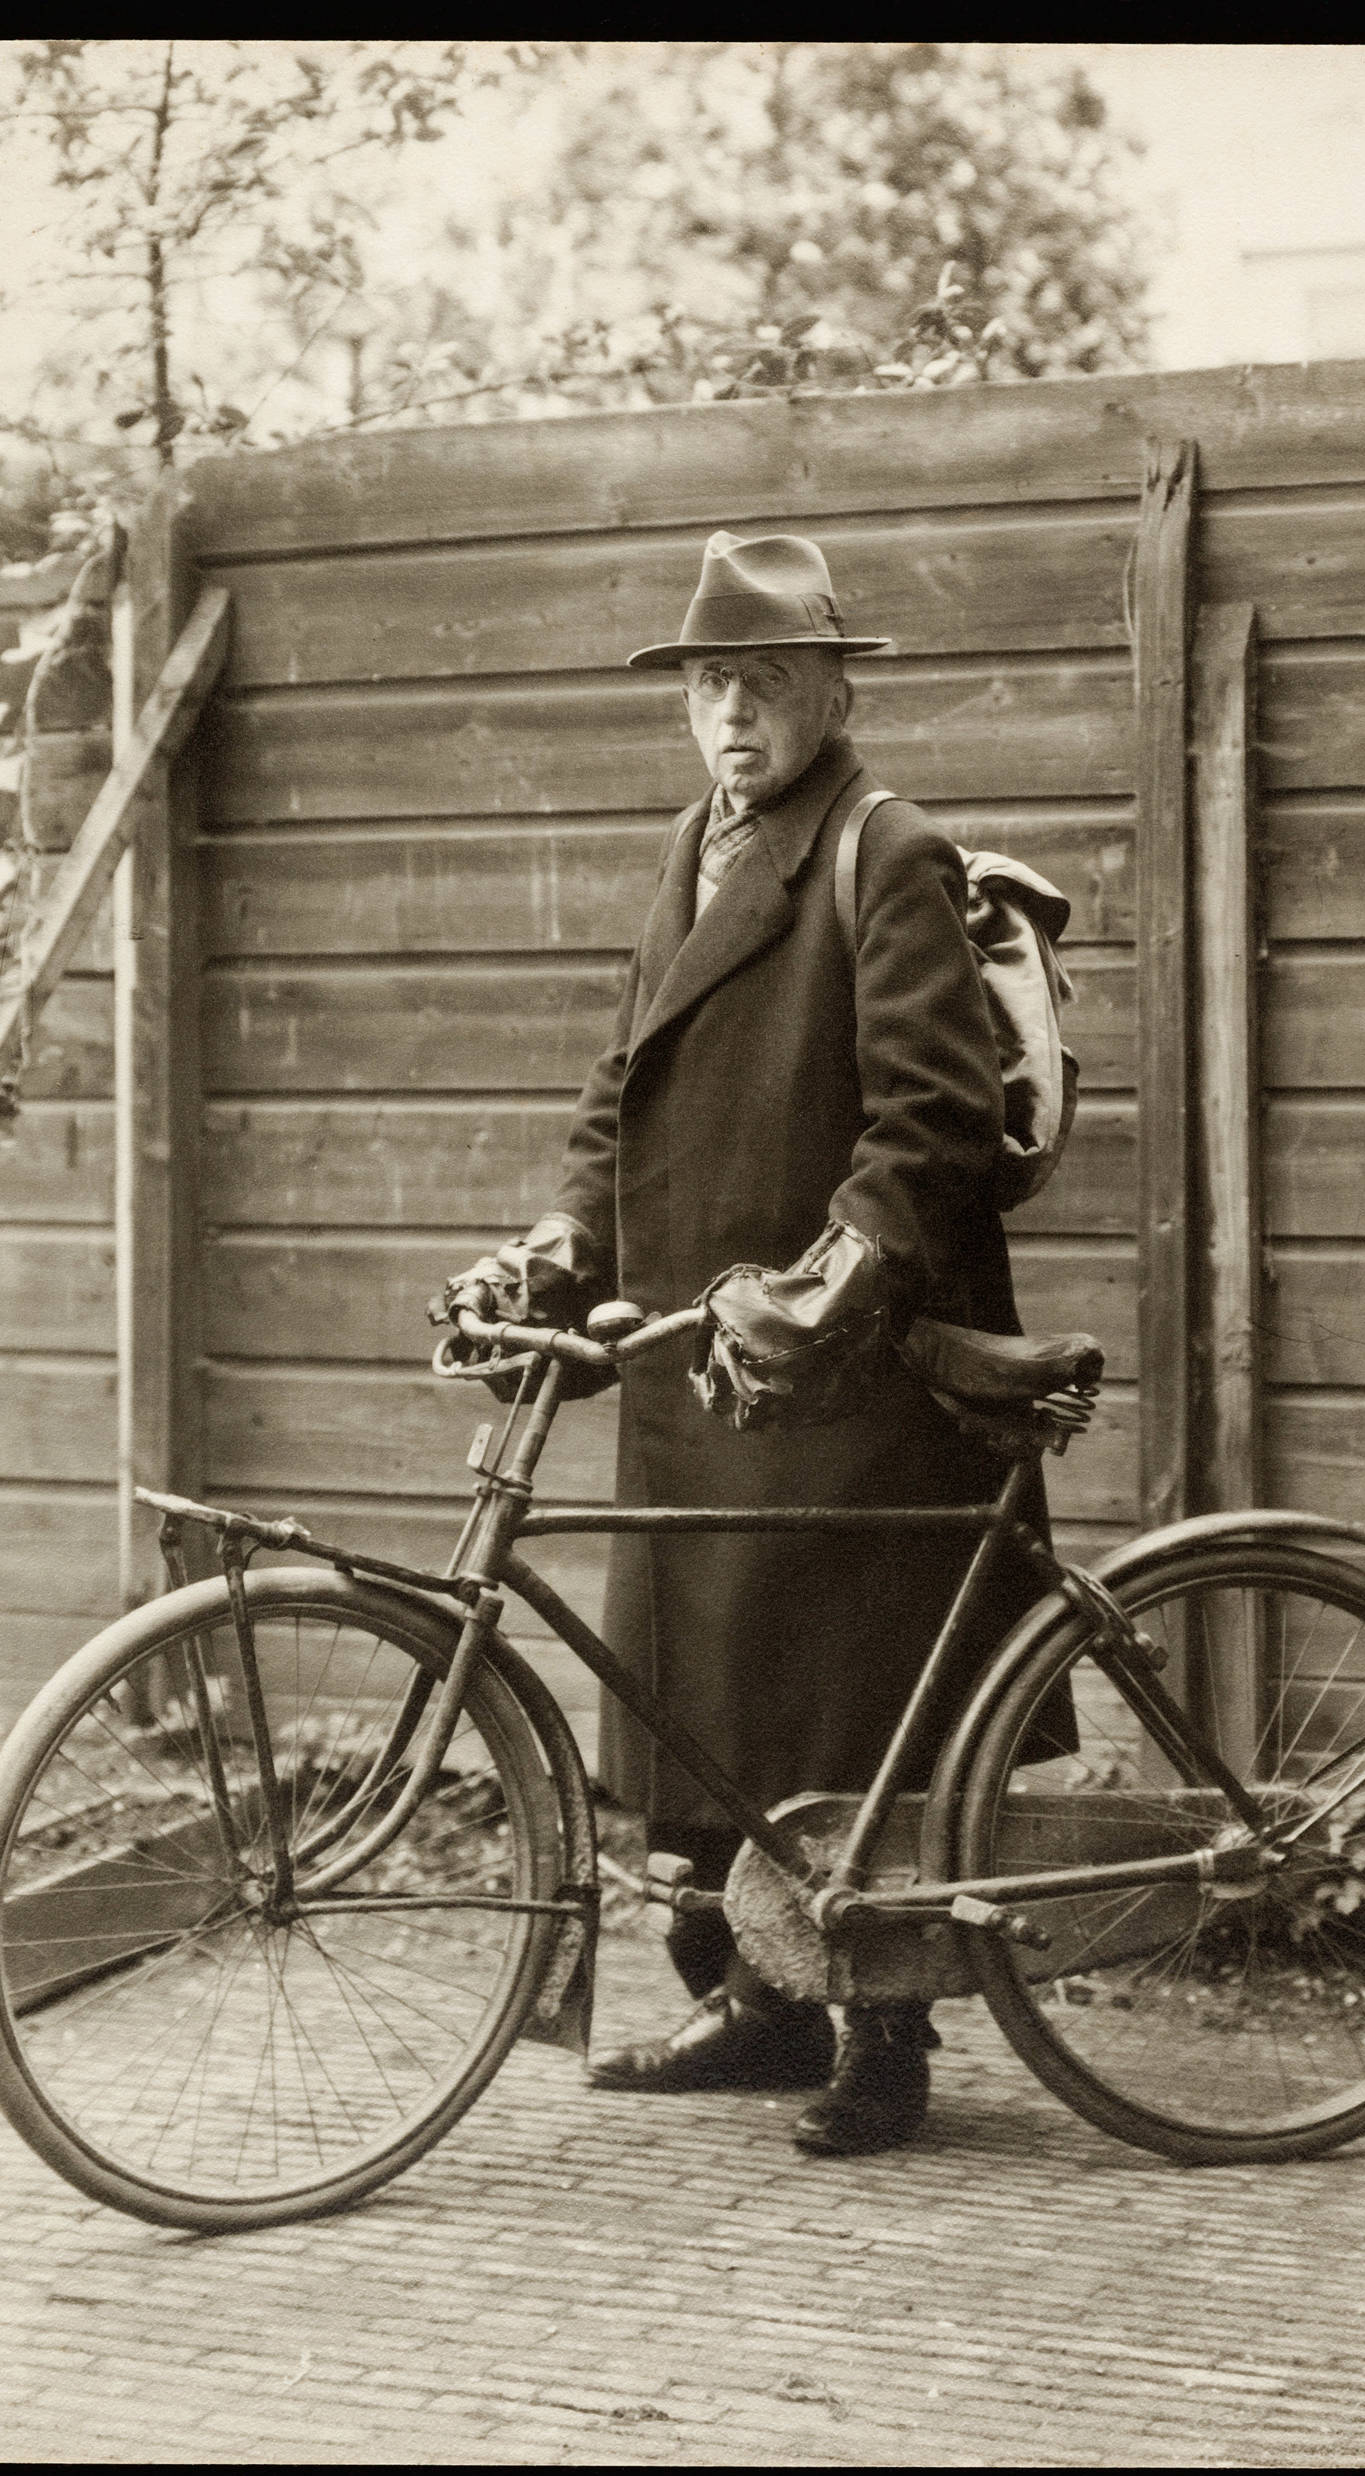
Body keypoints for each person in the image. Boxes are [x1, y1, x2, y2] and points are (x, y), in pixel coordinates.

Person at [435, 530, 1051, 2155]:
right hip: (697, 1353)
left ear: (832, 690)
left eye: (765, 683)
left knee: (851, 1711)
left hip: (842, 1366)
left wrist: (826, 1281)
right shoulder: (700, 843)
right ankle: (767, 2012)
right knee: (723, 1699)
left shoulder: (881, 845)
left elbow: (936, 1118)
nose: (731, 716)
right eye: (709, 684)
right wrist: (572, 1238)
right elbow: (619, 1080)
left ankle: (889, 2039)